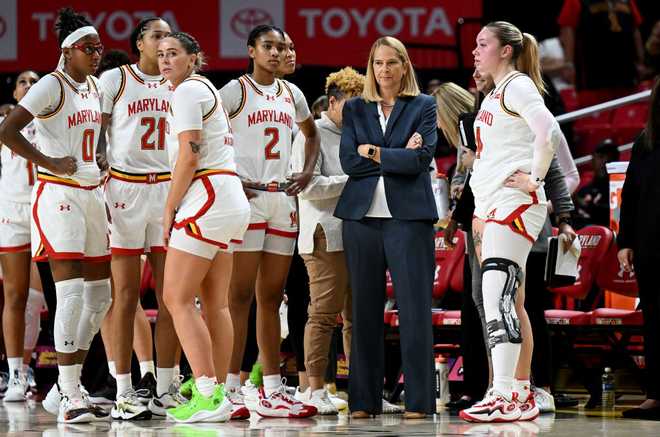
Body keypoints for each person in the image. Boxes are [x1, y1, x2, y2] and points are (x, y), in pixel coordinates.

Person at [0, 8, 111, 423]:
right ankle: (67, 392)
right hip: (56, 193)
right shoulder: (50, 85)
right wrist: (48, 159)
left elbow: (89, 135)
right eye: (88, 48)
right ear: (68, 50)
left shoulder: (96, 86)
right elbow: (7, 130)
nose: (96, 54)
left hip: (91, 192)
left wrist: (97, 154)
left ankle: (70, 380)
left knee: (103, 298)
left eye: (99, 48)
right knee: (72, 294)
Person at [459, 22, 562, 423]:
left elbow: (548, 131)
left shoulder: (518, 85)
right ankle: (520, 392)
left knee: (496, 293)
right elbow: (489, 160)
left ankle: (502, 392)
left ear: (505, 51)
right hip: (494, 206)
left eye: (483, 44)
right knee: (513, 301)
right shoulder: (494, 95)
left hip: (515, 203)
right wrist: (480, 212)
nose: (475, 50)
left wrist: (535, 178)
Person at [219, 24, 320, 418]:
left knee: (272, 298)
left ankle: (272, 386)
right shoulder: (233, 91)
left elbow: (310, 135)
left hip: (282, 197)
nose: (276, 53)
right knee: (238, 296)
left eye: (281, 47)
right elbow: (207, 134)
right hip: (248, 197)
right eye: (268, 47)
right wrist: (227, 175)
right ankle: (230, 385)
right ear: (251, 51)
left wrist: (308, 172)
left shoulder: (292, 93)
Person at [335, 36, 438, 419]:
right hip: (361, 219)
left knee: (414, 311)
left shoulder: (423, 105)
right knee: (362, 312)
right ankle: (363, 400)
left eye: (392, 63)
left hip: (408, 219)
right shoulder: (356, 109)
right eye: (378, 63)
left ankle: (419, 401)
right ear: (370, 67)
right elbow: (349, 161)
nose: (385, 70)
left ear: (404, 66)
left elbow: (421, 159)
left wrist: (374, 152)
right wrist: (397, 155)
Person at [158, 31, 251, 423]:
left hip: (207, 194)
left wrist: (169, 209)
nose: (165, 61)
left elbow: (190, 153)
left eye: (174, 53)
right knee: (217, 303)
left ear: (194, 57)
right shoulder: (204, 89)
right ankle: (226, 392)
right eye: (160, 54)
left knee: (176, 299)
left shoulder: (185, 92)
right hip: (229, 194)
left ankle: (207, 392)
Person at [98, 16, 185, 420]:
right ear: (139, 43)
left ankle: (166, 386)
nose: (164, 41)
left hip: (166, 188)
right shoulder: (117, 78)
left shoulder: (179, 82)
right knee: (125, 296)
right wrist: (97, 153)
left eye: (170, 36)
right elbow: (91, 118)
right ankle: (124, 389)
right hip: (125, 189)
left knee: (173, 297)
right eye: (157, 35)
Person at [290, 66, 364, 415]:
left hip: (355, 233)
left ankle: (363, 391)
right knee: (322, 315)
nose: (356, 114)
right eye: (350, 106)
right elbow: (306, 186)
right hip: (324, 236)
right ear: (331, 103)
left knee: (356, 318)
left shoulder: (357, 134)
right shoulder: (311, 134)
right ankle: (314, 389)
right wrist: (353, 180)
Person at [617, 80, 660, 421]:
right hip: (650, 245)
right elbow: (629, 195)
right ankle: (656, 394)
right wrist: (625, 241)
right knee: (655, 322)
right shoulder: (645, 143)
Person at [0, 71, 41, 402]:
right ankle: (15, 373)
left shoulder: (53, 117)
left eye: (35, 81)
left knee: (42, 298)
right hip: (12, 210)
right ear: (14, 92)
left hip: (46, 208)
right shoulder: (3, 120)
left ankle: (54, 372)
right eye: (24, 82)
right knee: (14, 296)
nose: (30, 85)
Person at [559, 0, 644, 106]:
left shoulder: (628, 2)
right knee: (595, 117)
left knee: (627, 115)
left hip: (626, 73)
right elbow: (568, 29)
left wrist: (641, 61)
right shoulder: (575, 2)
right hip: (593, 75)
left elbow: (635, 31)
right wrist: (569, 63)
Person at [574, 139, 620, 228]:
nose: (606, 161)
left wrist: (591, 207)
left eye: (611, 157)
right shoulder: (584, 191)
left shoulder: (619, 190)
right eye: (601, 156)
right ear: (592, 160)